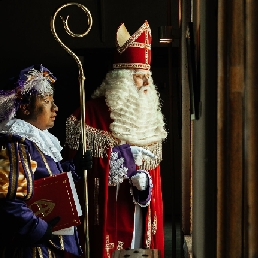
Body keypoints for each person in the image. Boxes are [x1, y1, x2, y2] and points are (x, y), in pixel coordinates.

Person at [64, 21, 167, 258]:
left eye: (147, 76)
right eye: (140, 76)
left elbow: (155, 176)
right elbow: (80, 172)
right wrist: (126, 162)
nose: (147, 83)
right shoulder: (88, 114)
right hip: (109, 212)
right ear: (123, 79)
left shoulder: (150, 115)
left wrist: (145, 186)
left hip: (142, 210)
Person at [0, 64, 92, 257]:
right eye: (48, 101)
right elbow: (8, 200)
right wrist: (38, 229)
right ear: (25, 108)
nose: (55, 108)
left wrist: (73, 168)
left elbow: (45, 180)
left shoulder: (37, 139)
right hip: (37, 247)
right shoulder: (16, 142)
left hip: (55, 242)